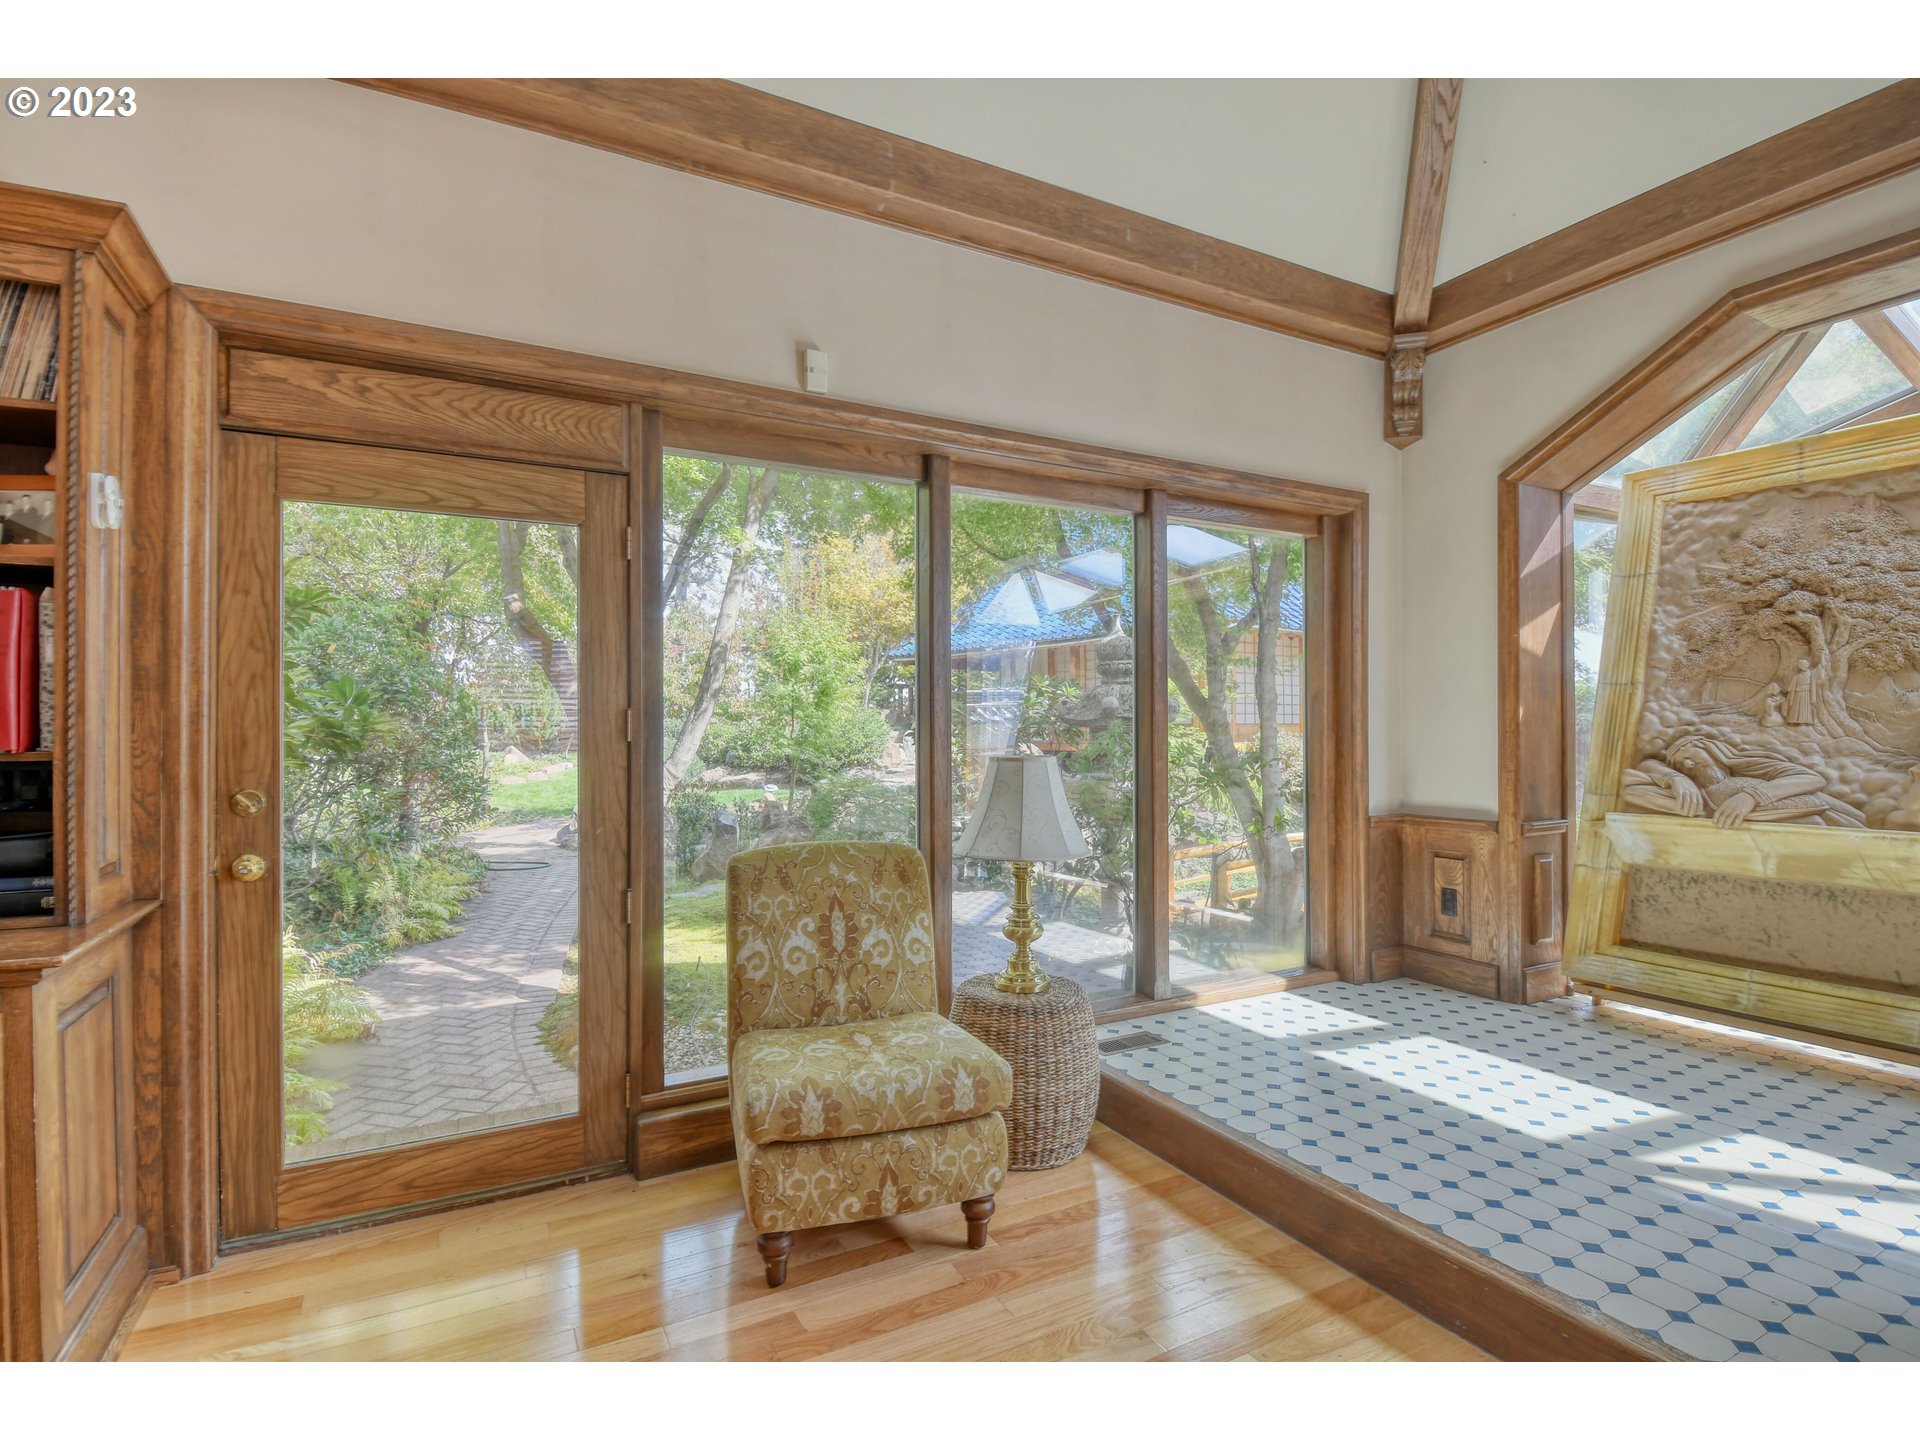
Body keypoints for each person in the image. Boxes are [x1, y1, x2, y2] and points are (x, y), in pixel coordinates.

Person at [1621, 732, 1866, 829]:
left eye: (1688, 754)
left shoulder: (1748, 766)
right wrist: (1674, 777)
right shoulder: (1698, 795)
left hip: (1831, 812)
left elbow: (1811, 778)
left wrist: (1750, 796)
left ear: (1708, 747)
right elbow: (1635, 775)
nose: (1688, 764)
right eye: (1680, 765)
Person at [1785, 658, 1816, 726]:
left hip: (1807, 693)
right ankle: (1792, 719)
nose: (1803, 665)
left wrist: (1813, 696)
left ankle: (1804, 720)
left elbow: (1813, 685)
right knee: (1795, 707)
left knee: (1805, 707)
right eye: (1801, 664)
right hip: (1798, 693)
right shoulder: (1797, 676)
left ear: (1807, 665)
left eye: (1805, 664)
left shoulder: (1811, 674)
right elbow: (1791, 686)